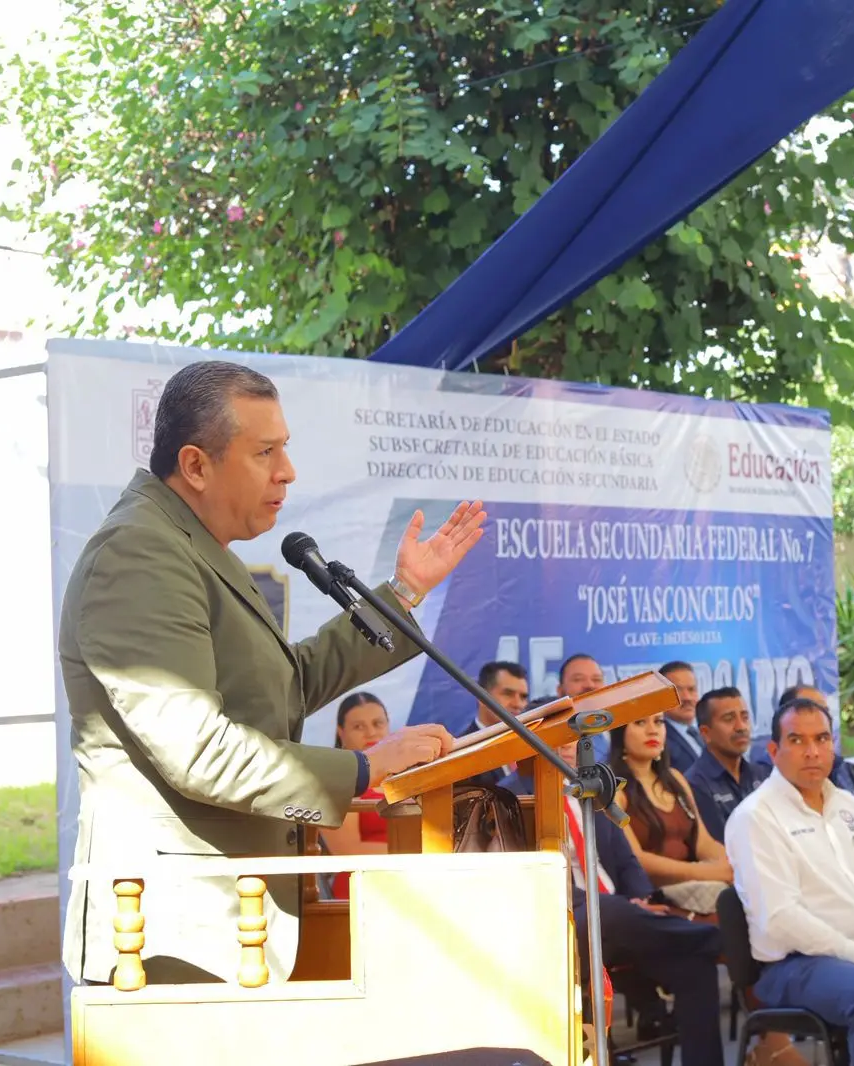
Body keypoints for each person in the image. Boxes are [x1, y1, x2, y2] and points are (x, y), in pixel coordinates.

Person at [59, 360, 477, 985]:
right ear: (196, 465)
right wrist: (365, 767)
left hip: (230, 921)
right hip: (172, 935)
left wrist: (405, 592)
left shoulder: (197, 548)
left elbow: (290, 683)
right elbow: (197, 750)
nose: (288, 471)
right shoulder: (140, 554)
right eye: (266, 452)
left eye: (285, 449)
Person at [725, 698, 854, 1064]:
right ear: (774, 750)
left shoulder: (850, 806)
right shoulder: (756, 817)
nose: (812, 752)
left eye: (822, 739)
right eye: (797, 741)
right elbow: (781, 919)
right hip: (794, 965)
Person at [555, 740, 727, 1066]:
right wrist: (628, 908)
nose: (567, 749)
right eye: (557, 741)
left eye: (572, 742)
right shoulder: (516, 794)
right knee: (603, 909)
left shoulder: (591, 786)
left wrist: (640, 900)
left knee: (695, 965)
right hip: (568, 920)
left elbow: (626, 860)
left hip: (622, 921)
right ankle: (721, 941)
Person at [608, 713, 733, 890]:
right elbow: (635, 858)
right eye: (640, 722)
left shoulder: (675, 778)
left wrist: (729, 863)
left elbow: (702, 842)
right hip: (652, 895)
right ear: (619, 733)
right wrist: (707, 872)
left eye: (658, 722)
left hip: (699, 885)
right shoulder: (613, 790)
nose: (652, 731)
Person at [322, 692, 393, 900]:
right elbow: (347, 850)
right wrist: (422, 853)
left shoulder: (409, 772)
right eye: (358, 727)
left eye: (378, 723)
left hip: (413, 883)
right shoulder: (335, 779)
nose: (371, 733)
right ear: (341, 732)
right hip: (361, 890)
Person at [684, 686, 770, 843]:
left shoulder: (763, 775)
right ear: (705, 733)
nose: (741, 727)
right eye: (729, 719)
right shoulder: (694, 784)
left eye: (744, 717)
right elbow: (722, 845)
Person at [461, 660, 531, 789]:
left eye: (523, 697)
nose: (518, 704)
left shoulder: (532, 748)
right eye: (508, 694)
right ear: (481, 696)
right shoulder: (462, 755)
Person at [659, 660, 705, 774]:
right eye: (678, 691)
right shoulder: (659, 738)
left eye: (691, 689)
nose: (687, 697)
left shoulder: (706, 733)